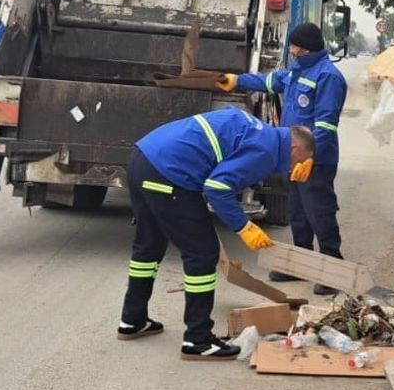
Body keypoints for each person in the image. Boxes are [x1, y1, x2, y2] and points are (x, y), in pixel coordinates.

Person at [118, 107, 315, 360]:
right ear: (294, 148)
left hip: (143, 158)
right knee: (202, 253)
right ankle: (197, 341)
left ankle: (132, 321)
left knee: (149, 244)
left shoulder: (261, 132)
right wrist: (243, 226)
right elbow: (217, 187)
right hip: (170, 173)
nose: (292, 170)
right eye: (298, 163)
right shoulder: (265, 151)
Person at [215, 22, 348, 295]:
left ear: (306, 48)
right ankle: (300, 265)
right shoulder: (296, 72)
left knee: (319, 212)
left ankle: (333, 269)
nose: (292, 51)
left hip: (316, 161)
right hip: (293, 156)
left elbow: (326, 126)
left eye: (296, 47)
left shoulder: (328, 77)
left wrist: (312, 157)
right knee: (297, 214)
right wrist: (237, 80)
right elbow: (267, 82)